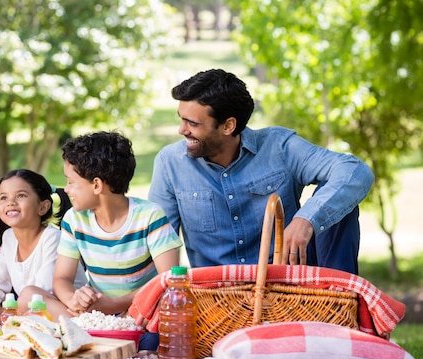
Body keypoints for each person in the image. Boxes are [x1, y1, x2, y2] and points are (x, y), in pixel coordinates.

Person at [149, 68, 374, 274]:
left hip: (287, 280)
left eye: (192, 123)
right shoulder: (170, 163)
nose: (181, 130)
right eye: (181, 119)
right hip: (217, 295)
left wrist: (306, 220)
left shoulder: (279, 147)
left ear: (228, 126)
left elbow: (355, 171)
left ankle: (337, 309)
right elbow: (157, 241)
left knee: (338, 204)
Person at [18, 131, 183, 320]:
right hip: (96, 313)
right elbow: (61, 280)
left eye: (71, 182)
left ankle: (103, 333)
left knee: (163, 306)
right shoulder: (74, 219)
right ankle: (92, 329)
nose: (66, 189)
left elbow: (169, 280)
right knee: (28, 296)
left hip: (141, 309)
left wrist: (114, 305)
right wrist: (73, 299)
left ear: (96, 185)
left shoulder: (149, 216)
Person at [0, 169, 87, 323]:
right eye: (4, 197)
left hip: (66, 313)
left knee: (28, 295)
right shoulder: (9, 238)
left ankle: (10, 322)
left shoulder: (52, 238)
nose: (10, 203)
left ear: (43, 207)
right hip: (29, 309)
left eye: (21, 196)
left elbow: (40, 294)